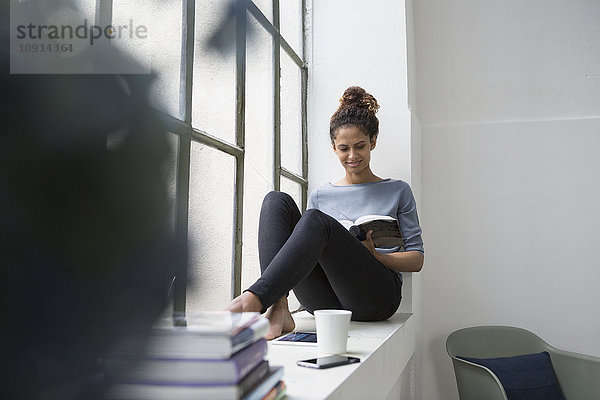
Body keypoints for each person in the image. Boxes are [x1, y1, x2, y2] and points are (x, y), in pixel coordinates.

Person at [227, 86, 424, 339]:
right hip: (324, 302)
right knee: (276, 201)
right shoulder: (321, 195)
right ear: (334, 148)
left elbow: (417, 259)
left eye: (360, 146)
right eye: (344, 148)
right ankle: (279, 307)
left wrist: (376, 256)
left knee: (315, 220)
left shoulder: (397, 190)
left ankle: (254, 299)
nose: (352, 155)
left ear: (373, 142)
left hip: (375, 297)